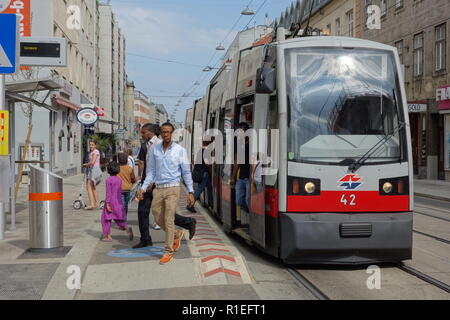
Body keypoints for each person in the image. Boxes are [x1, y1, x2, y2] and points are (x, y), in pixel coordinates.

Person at [137, 122, 195, 265]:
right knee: (157, 217)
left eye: (168, 132)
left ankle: (168, 251)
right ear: (160, 133)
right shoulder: (154, 150)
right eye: (163, 132)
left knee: (169, 218)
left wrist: (191, 191)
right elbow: (151, 172)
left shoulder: (180, 150)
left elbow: (186, 172)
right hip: (158, 188)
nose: (166, 134)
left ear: (172, 133)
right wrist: (143, 188)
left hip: (173, 188)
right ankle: (176, 234)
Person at [101, 161, 133, 242]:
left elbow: (108, 193)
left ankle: (108, 236)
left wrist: (107, 203)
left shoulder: (108, 180)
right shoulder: (119, 180)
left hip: (110, 202)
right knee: (118, 219)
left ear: (108, 170)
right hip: (118, 202)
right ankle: (126, 228)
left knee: (106, 219)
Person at [231, 122, 251, 214]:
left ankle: (252, 218)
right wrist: (233, 177)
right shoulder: (239, 144)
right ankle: (251, 214)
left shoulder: (252, 144)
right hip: (241, 177)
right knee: (238, 201)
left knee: (248, 200)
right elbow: (237, 161)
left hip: (250, 178)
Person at [187, 140, 213, 213]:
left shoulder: (200, 151)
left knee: (209, 186)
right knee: (200, 189)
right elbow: (207, 163)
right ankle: (190, 204)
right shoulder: (206, 151)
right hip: (204, 173)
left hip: (198, 172)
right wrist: (213, 162)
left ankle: (211, 203)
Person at [83, 140, 102, 210]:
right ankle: (96, 203)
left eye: (92, 145)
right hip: (92, 170)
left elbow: (93, 162)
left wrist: (86, 164)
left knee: (88, 187)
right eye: (90, 145)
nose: (91, 146)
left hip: (94, 170)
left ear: (95, 145)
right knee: (93, 187)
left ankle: (92, 204)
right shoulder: (92, 152)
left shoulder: (95, 152)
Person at [117, 152, 136, 217]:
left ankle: (122, 219)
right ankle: (124, 219)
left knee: (122, 205)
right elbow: (133, 179)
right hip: (128, 189)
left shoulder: (117, 168)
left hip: (119, 189)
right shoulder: (129, 168)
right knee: (125, 205)